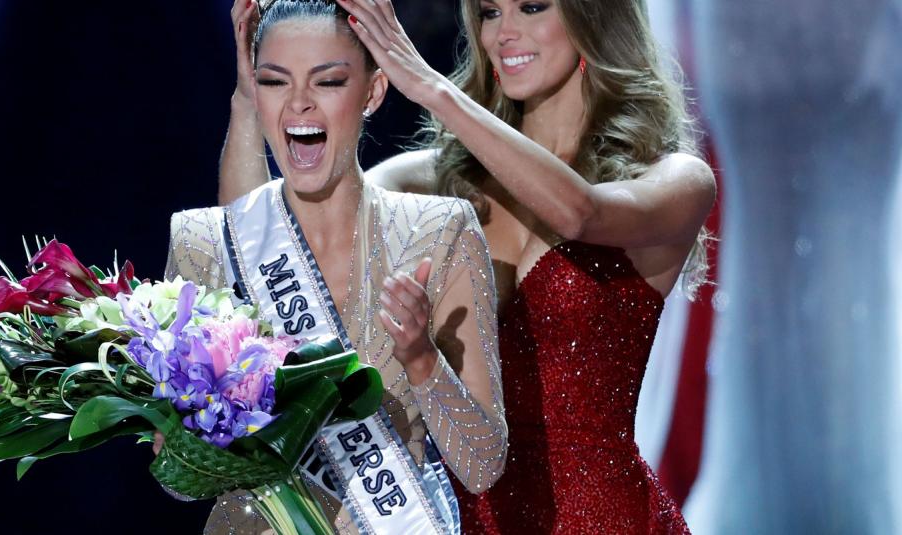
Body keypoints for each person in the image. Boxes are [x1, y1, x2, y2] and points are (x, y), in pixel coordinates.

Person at [219, 0, 716, 532]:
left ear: (593, 16)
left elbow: (580, 214)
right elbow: (263, 247)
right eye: (489, 13)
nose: (504, 33)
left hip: (603, 517)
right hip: (454, 513)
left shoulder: (676, 180)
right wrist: (250, 101)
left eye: (530, 7)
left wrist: (432, 89)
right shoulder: (434, 184)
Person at [166, 1, 509, 532]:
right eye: (274, 82)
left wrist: (421, 358)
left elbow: (483, 467)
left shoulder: (442, 232)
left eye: (327, 82)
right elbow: (175, 479)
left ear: (373, 92)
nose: (299, 102)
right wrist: (200, 431)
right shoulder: (203, 242)